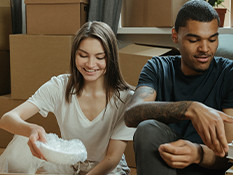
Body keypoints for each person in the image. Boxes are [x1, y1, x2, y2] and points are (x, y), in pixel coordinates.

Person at [0, 21, 135, 174]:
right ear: (74, 54)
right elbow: (7, 119)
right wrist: (31, 129)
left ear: (110, 59)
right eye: (83, 55)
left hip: (108, 170)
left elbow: (112, 158)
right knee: (22, 142)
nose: (91, 64)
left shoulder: (126, 98)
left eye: (99, 57)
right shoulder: (59, 86)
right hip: (70, 167)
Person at [123, 1, 233, 175]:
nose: (205, 48)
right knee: (147, 129)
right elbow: (131, 114)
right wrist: (189, 108)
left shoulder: (229, 73)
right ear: (175, 36)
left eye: (212, 39)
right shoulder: (158, 67)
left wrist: (198, 153)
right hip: (162, 166)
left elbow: (229, 154)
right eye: (194, 40)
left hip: (206, 166)